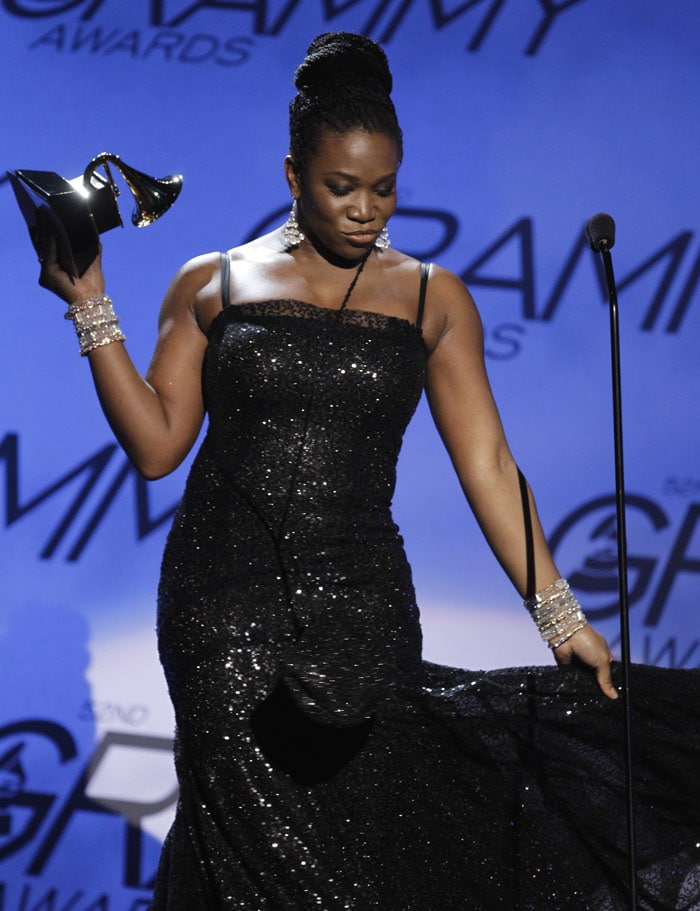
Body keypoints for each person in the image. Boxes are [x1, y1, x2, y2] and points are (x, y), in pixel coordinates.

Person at [38, 31, 699, 911]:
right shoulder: (214, 284)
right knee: (245, 854)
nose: (363, 210)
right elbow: (158, 447)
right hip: (221, 610)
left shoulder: (433, 296)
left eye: (382, 188)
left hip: (365, 614)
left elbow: (490, 466)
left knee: (360, 861)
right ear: (290, 175)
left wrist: (559, 614)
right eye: (339, 187)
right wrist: (92, 306)